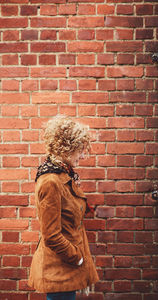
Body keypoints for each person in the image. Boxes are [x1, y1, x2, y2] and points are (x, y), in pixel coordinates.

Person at [28, 115, 99, 300]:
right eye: (80, 150)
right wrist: (78, 258)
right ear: (67, 148)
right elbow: (51, 235)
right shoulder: (51, 181)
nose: (83, 156)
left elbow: (67, 209)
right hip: (60, 269)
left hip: (65, 267)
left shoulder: (63, 174)